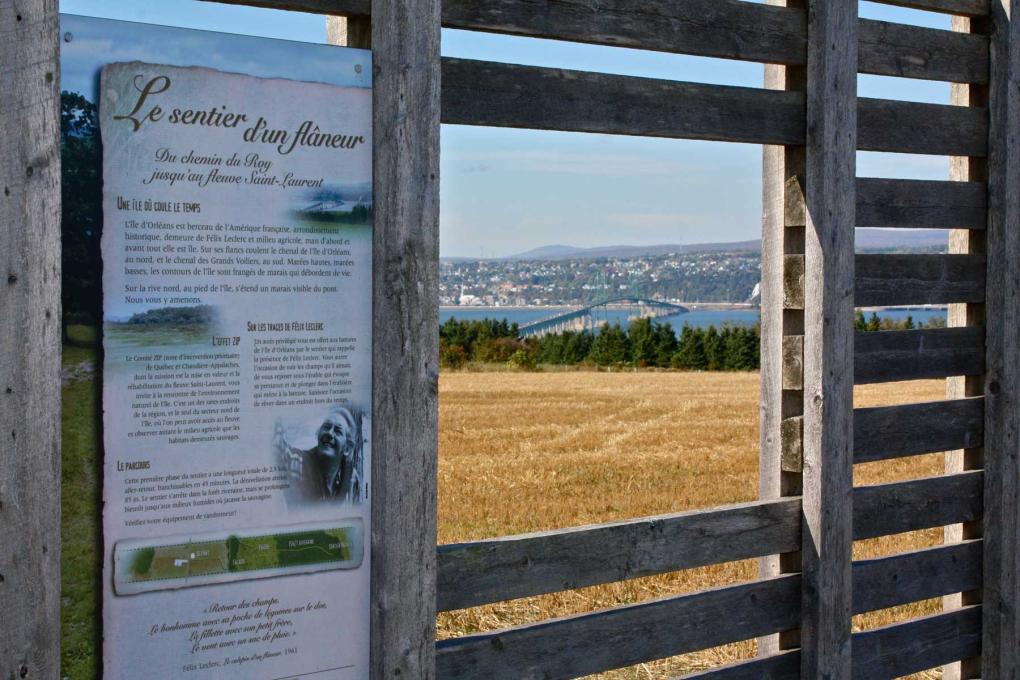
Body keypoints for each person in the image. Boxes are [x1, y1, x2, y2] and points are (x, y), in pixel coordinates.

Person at [274, 407, 362, 504]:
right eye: (326, 427)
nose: (329, 433)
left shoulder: (352, 480)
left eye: (338, 431)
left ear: (347, 449)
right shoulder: (298, 461)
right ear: (318, 434)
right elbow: (278, 450)